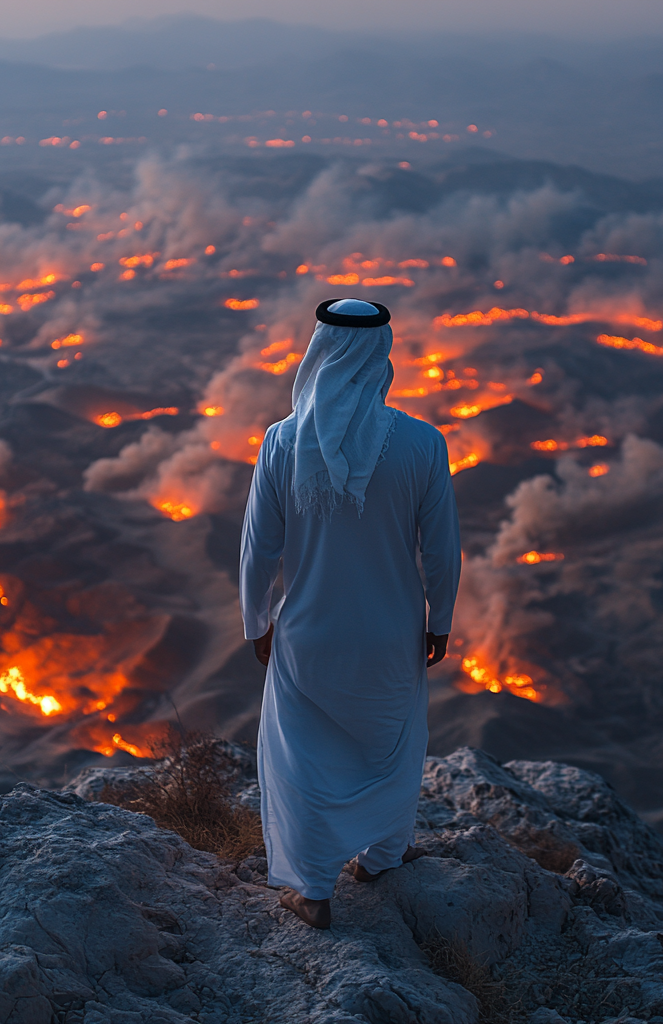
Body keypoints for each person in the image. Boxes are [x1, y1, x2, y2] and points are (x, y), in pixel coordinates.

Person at [239, 297, 462, 929]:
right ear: (380, 355)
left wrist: (256, 622)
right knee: (390, 743)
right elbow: (442, 550)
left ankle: (312, 889)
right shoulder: (422, 443)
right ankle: (383, 853)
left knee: (302, 757)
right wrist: (439, 618)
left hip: (308, 636)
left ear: (319, 353)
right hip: (393, 632)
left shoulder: (282, 444)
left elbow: (259, 549)